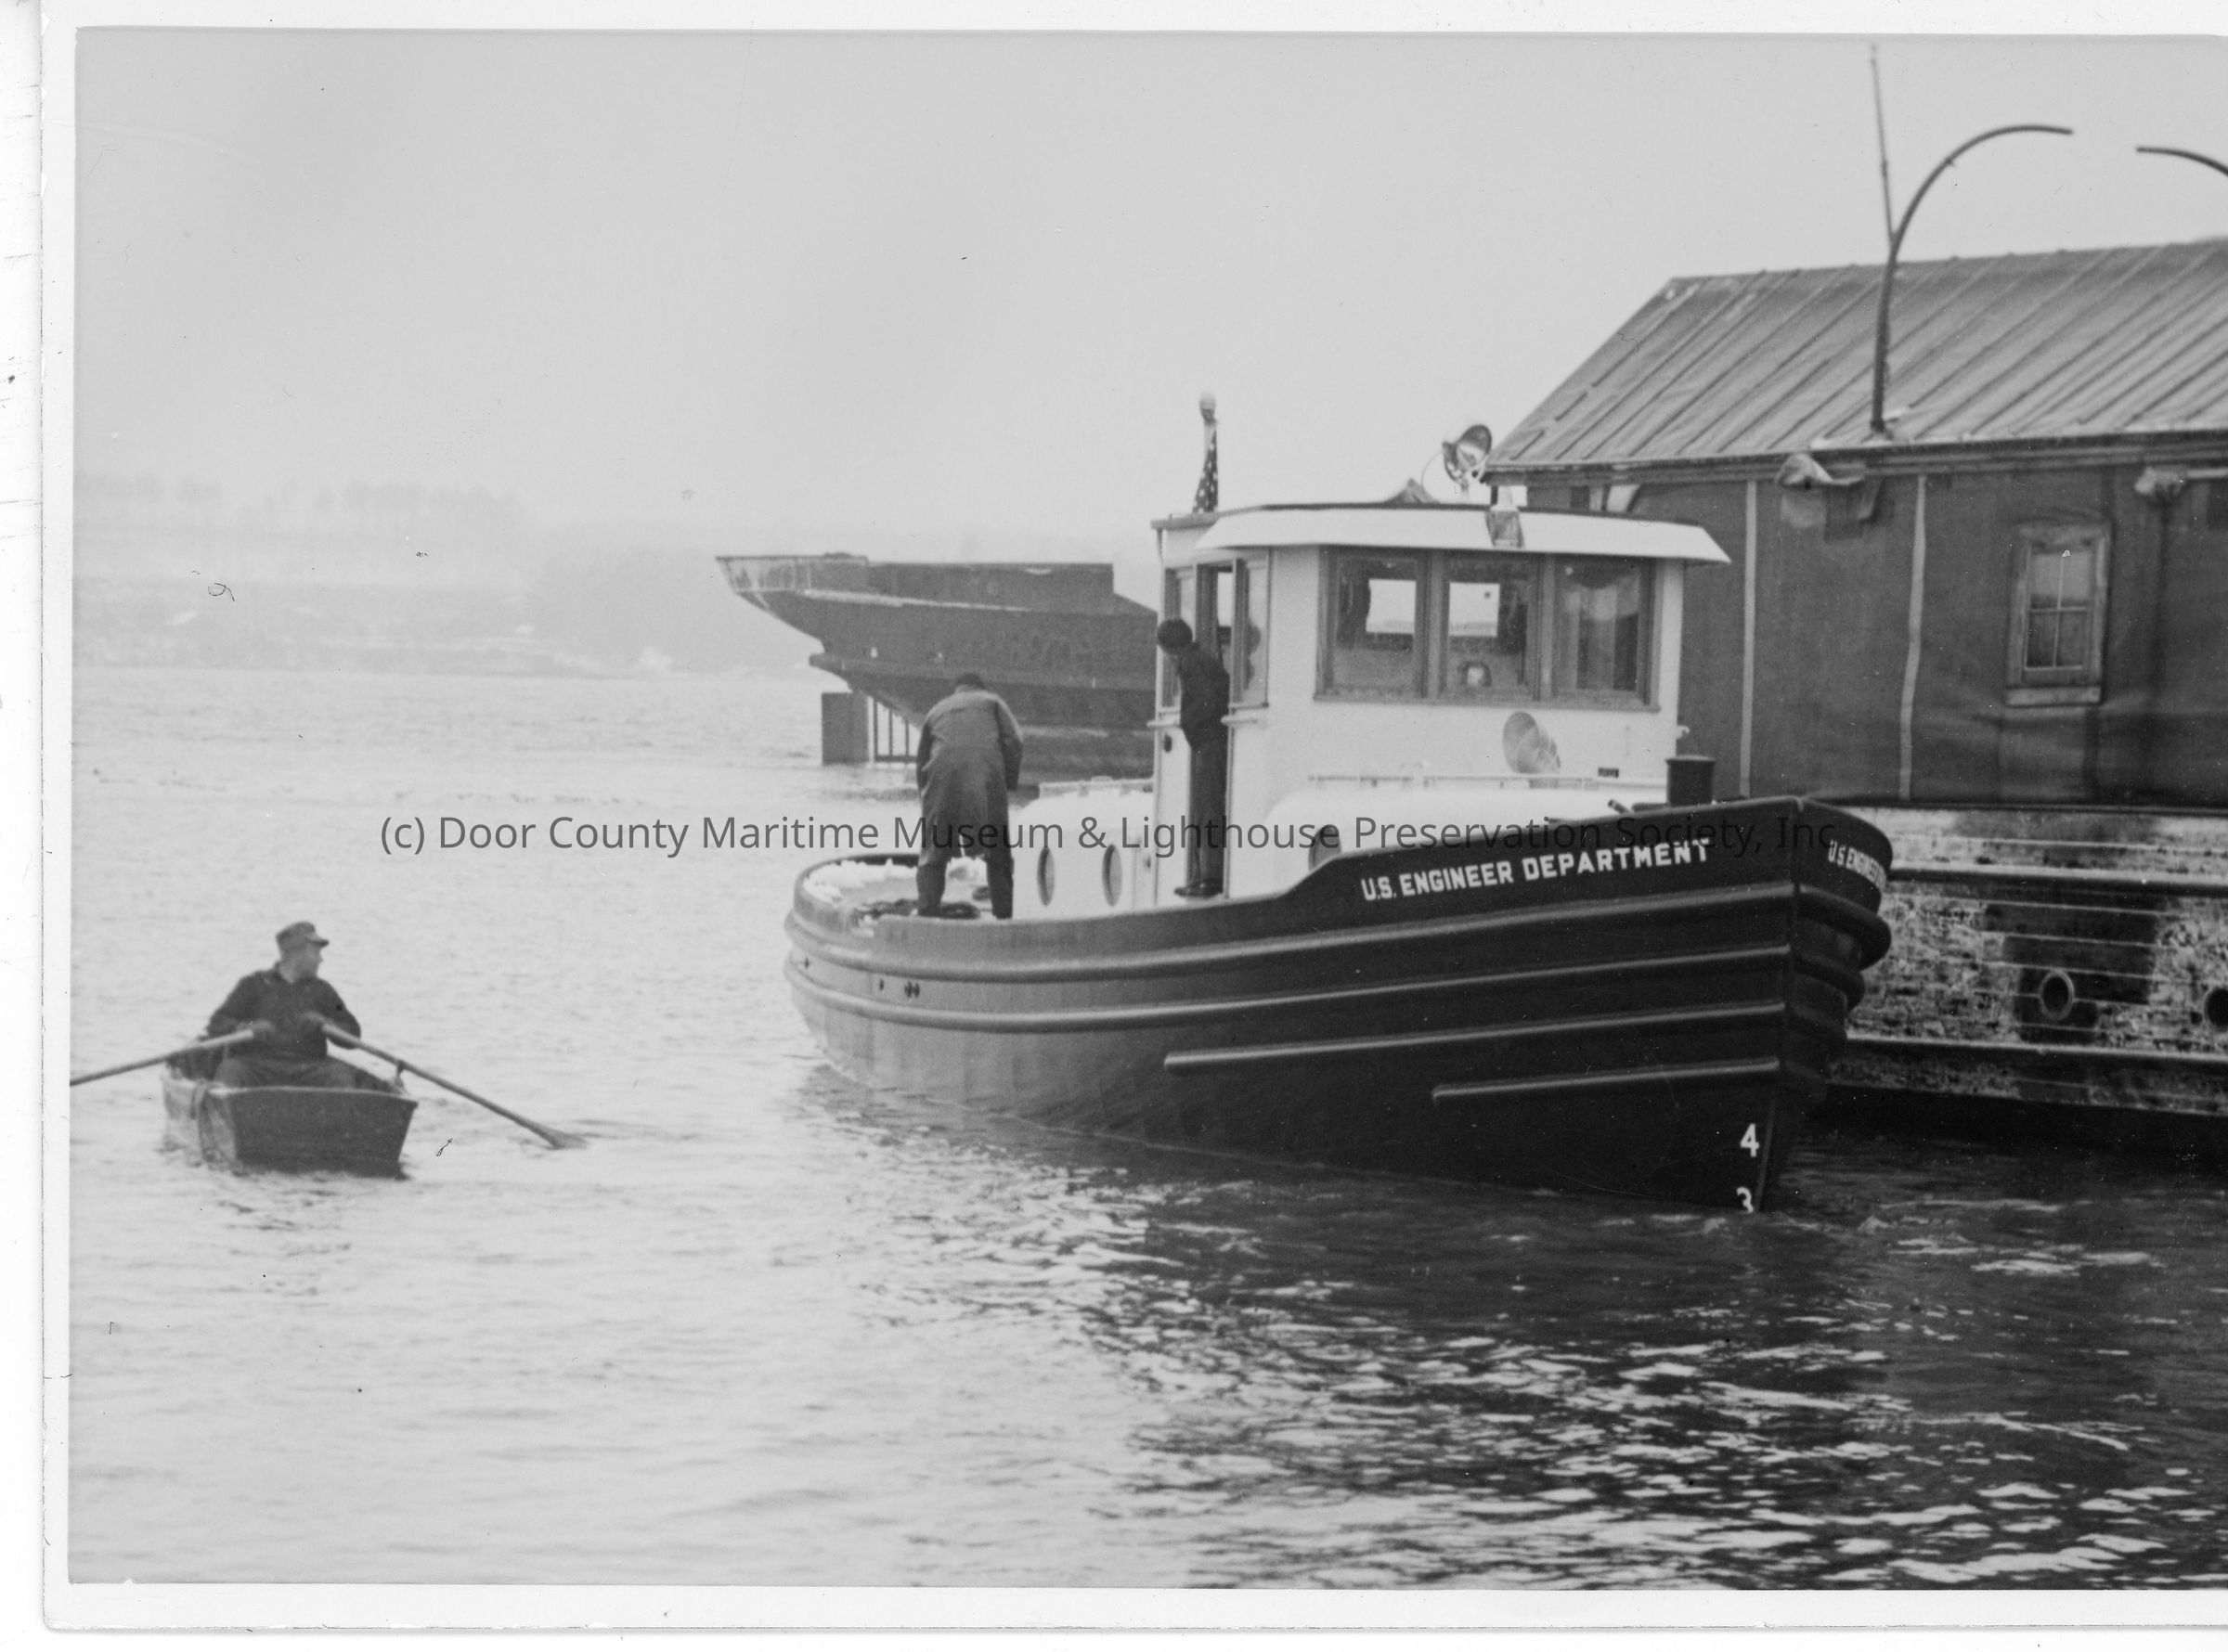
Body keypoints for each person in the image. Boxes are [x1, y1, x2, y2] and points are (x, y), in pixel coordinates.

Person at [205, 922, 386, 1090]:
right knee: (231, 1070)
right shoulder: (253, 985)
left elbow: (353, 1033)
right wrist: (247, 1027)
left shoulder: (323, 991)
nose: (320, 960)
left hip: (309, 1068)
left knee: (339, 1075)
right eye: (315, 953)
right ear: (295, 954)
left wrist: (327, 1023)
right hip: (257, 1066)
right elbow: (217, 1024)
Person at [914, 672, 1024, 919]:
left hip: (940, 782)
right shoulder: (993, 702)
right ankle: (1004, 916)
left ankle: (926, 916)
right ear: (980, 687)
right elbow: (1015, 740)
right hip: (984, 780)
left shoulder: (936, 710)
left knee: (933, 851)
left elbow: (921, 761)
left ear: (958, 689)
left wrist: (927, 801)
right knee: (997, 849)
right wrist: (1006, 782)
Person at [1156, 617, 1230, 897]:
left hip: (1208, 744)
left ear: (1169, 649)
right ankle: (1203, 874)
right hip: (1211, 742)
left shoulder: (1191, 664)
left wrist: (1186, 720)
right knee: (1204, 809)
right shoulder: (1200, 659)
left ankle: (1210, 876)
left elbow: (1207, 701)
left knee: (1207, 808)